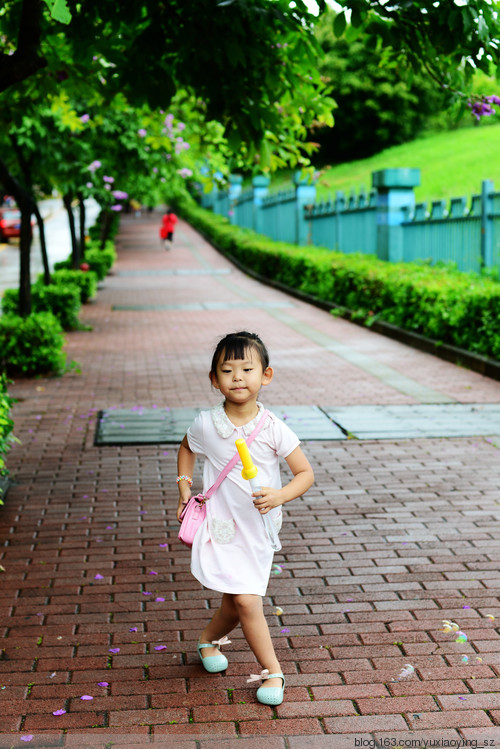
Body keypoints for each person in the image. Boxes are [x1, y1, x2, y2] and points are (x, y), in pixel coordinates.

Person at [176, 331, 314, 706]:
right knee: (246, 601)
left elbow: (305, 474)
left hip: (258, 527)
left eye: (247, 368)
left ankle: (207, 641)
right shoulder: (207, 423)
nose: (238, 377)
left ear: (265, 375)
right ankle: (274, 671)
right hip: (221, 528)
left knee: (236, 602)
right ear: (214, 379)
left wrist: (280, 494)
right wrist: (184, 488)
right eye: (227, 369)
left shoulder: (272, 428)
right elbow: (187, 448)